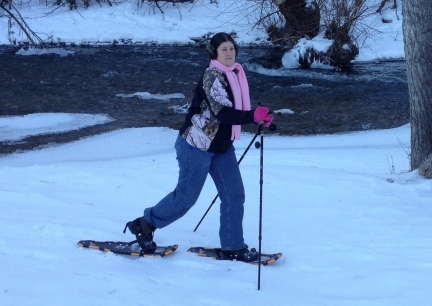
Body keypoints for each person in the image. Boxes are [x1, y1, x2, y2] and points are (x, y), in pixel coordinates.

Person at [124, 32, 274, 262]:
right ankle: (144, 224)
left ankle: (233, 246)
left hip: (222, 146)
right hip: (196, 145)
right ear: (215, 53)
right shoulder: (213, 76)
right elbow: (223, 112)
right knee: (186, 197)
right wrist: (253, 116)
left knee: (234, 195)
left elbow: (238, 110)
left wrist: (259, 117)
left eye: (231, 48)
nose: (229, 53)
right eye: (224, 49)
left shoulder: (236, 73)